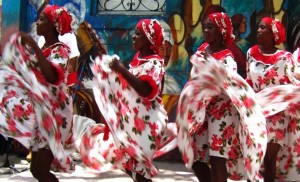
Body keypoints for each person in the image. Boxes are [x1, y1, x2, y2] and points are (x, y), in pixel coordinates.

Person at [77, 19, 177, 182]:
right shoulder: (139, 60)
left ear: (149, 39)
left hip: (147, 126)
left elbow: (145, 90)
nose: (133, 36)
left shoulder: (155, 63)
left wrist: (121, 69)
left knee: (139, 172)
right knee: (134, 170)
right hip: (134, 125)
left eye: (138, 33)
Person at [176, 12, 267, 182]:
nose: (205, 30)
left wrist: (210, 66)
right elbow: (195, 76)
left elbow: (225, 84)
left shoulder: (228, 57)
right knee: (195, 158)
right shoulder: (202, 49)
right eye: (205, 26)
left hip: (222, 112)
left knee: (218, 159)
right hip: (202, 111)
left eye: (210, 27)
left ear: (220, 31)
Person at [0, 5, 76, 182]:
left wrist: (32, 44)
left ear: (52, 25)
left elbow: (51, 76)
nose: (37, 22)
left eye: (42, 19)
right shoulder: (45, 51)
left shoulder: (60, 50)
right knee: (36, 169)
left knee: (41, 169)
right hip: (43, 115)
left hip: (56, 116)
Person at [246, 16, 300, 182]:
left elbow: (294, 83)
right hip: (255, 112)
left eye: (264, 28)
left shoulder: (285, 58)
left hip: (277, 115)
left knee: (269, 158)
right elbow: (248, 80)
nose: (259, 31)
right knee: (253, 156)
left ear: (274, 34)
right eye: (259, 27)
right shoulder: (251, 53)